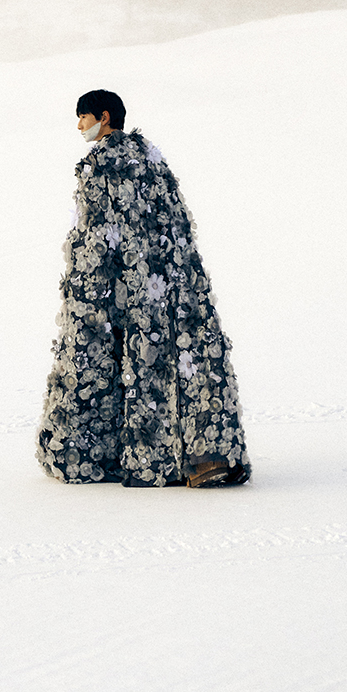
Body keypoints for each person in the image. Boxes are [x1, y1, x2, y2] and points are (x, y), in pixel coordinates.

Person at [36, 89, 251, 487]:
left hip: (123, 284)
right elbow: (173, 219)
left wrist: (87, 290)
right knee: (178, 358)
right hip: (169, 278)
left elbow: (95, 233)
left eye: (83, 117)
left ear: (104, 116)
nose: (79, 125)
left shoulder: (99, 163)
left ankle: (117, 454)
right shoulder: (151, 157)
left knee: (117, 359)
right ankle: (198, 454)